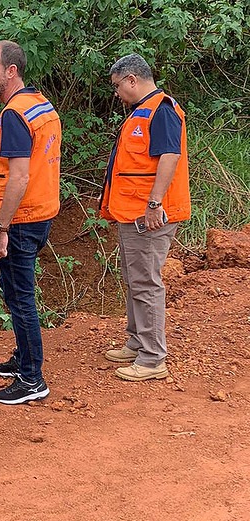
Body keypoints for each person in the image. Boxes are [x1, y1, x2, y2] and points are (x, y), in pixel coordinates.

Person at [0, 40, 61, 405]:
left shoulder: (14, 114)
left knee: (21, 299)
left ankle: (32, 379)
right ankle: (23, 359)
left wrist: (2, 229)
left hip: (21, 220)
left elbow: (18, 178)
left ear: (11, 71)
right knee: (16, 294)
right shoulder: (41, 105)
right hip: (42, 213)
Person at [100, 53, 190, 381]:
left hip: (149, 216)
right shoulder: (144, 111)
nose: (116, 93)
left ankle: (152, 358)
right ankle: (138, 341)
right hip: (133, 213)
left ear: (132, 80)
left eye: (117, 86)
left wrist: (154, 204)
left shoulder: (161, 110)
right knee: (135, 279)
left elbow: (169, 156)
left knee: (146, 283)